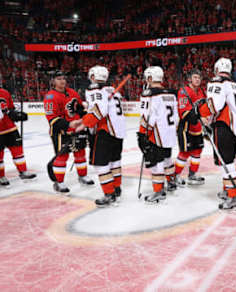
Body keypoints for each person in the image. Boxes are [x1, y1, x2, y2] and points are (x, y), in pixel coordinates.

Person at [72, 66, 125, 207]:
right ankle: (116, 188)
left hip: (104, 131)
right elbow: (100, 106)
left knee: (101, 164)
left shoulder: (94, 88)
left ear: (93, 76)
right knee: (115, 163)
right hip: (118, 132)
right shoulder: (113, 91)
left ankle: (109, 194)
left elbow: (99, 110)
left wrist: (83, 124)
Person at [198, 57, 236, 210]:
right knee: (228, 160)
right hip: (235, 127)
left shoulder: (218, 81)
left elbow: (214, 104)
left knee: (226, 163)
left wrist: (200, 110)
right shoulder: (234, 84)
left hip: (225, 126)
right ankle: (231, 190)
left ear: (217, 69)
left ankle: (233, 196)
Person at [44, 71, 93, 193]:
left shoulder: (73, 92)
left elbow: (80, 109)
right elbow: (51, 118)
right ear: (53, 81)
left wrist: (86, 118)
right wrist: (68, 124)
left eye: (63, 78)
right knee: (62, 157)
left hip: (76, 130)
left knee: (80, 154)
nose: (62, 81)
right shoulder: (50, 97)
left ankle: (82, 176)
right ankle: (59, 182)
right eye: (59, 79)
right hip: (60, 132)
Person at [137, 66, 178, 202]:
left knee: (156, 162)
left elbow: (148, 116)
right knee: (167, 158)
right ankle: (171, 181)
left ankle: (159, 191)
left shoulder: (149, 93)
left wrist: (143, 134)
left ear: (150, 78)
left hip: (157, 133)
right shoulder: (171, 93)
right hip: (170, 132)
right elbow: (176, 116)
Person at [174, 69, 206, 186]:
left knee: (197, 151)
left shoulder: (201, 91)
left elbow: (204, 108)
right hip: (186, 128)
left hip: (198, 128)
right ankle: (175, 175)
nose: (197, 79)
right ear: (189, 79)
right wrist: (199, 118)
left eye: (199, 77)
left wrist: (207, 119)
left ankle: (192, 174)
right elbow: (184, 112)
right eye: (195, 77)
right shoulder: (184, 91)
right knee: (185, 152)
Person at [0, 86, 35, 186]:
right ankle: (1, 176)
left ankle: (23, 171)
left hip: (10, 128)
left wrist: (15, 115)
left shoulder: (4, 92)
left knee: (18, 151)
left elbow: (10, 108)